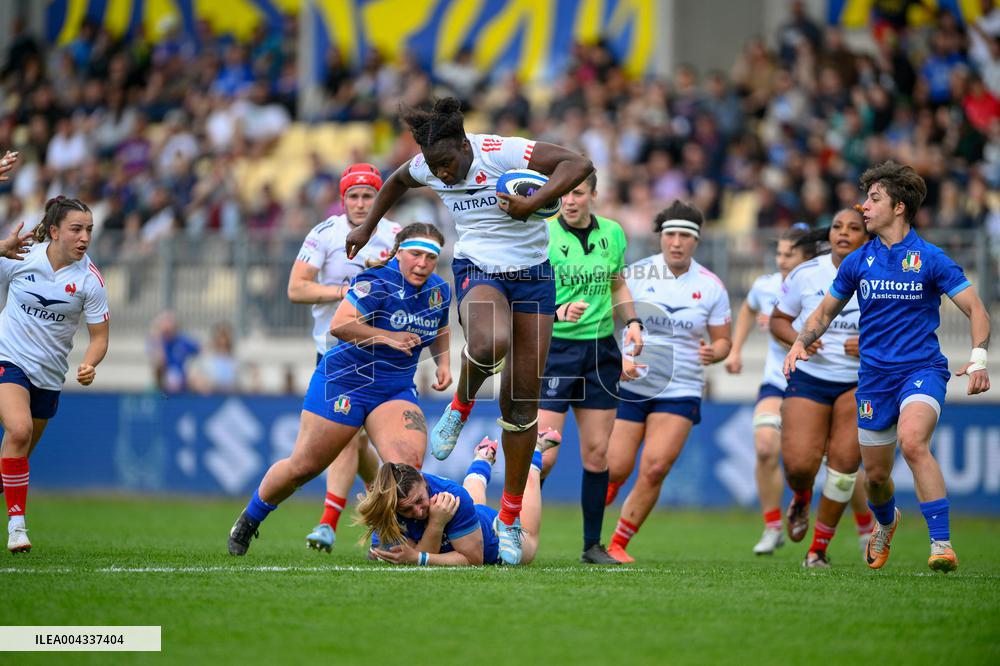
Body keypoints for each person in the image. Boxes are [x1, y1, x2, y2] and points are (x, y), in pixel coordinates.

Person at [344, 97, 593, 565]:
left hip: (533, 275)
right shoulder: (428, 165)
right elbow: (396, 181)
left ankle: (510, 518)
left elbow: (578, 164)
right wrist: (367, 227)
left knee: (521, 406)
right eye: (434, 167)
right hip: (478, 267)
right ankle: (459, 407)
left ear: (464, 145)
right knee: (489, 341)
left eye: (446, 164)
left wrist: (534, 202)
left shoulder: (503, 151)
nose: (441, 174)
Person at [785, 161, 991, 573]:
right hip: (874, 379)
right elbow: (824, 313)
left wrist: (978, 358)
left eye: (874, 199)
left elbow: (976, 309)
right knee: (876, 478)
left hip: (921, 370)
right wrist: (799, 342)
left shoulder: (931, 258)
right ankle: (886, 522)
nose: (864, 206)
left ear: (899, 207)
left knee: (913, 442)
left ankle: (941, 544)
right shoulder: (858, 261)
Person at [228, 223, 452, 555]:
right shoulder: (377, 281)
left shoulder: (439, 291)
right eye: (416, 254)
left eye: (430, 257)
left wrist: (443, 363)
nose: (423, 264)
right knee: (304, 467)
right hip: (346, 381)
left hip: (394, 389)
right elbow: (340, 325)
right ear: (399, 253)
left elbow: (441, 325)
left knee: (406, 466)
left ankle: (383, 539)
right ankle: (250, 518)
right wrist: (389, 338)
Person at [603, 201, 733, 563]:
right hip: (633, 384)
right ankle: (605, 498)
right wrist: (616, 359)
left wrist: (716, 352)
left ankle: (618, 543)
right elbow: (606, 320)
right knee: (616, 466)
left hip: (681, 387)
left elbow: (723, 341)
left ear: (697, 241)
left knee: (656, 466)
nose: (677, 242)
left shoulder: (711, 286)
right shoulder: (636, 275)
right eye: (670, 234)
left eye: (685, 236)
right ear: (660, 237)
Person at [287, 163, 399, 553]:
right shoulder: (325, 234)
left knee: (352, 437)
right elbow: (296, 288)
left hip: (381, 355)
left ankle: (329, 523)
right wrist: (343, 293)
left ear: (380, 198)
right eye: (354, 195)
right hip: (335, 353)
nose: (361, 203)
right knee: (352, 439)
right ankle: (376, 515)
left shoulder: (395, 236)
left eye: (369, 195)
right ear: (343, 199)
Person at [535, 172, 642, 565]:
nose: (569, 200)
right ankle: (511, 527)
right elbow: (525, 294)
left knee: (597, 455)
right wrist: (558, 310)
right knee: (544, 453)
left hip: (600, 351)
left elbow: (617, 284)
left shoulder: (612, 233)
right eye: (564, 193)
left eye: (578, 193)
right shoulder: (542, 234)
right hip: (554, 350)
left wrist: (633, 322)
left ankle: (592, 546)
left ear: (594, 194)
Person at [0, 196, 110, 553]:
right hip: (8, 358)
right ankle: (17, 527)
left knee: (12, 463)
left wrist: (90, 363)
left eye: (89, 230)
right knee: (19, 430)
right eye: (76, 229)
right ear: (54, 231)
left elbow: (100, 337)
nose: (85, 238)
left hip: (48, 377)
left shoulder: (90, 280)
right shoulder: (22, 257)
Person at [770, 210, 871, 568]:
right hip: (811, 378)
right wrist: (798, 340)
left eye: (854, 228)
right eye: (837, 227)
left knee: (844, 470)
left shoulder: (883, 273)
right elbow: (778, 321)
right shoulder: (806, 273)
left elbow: (902, 328)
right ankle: (801, 495)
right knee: (799, 465)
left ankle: (818, 550)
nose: (843, 233)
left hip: (860, 381)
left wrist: (870, 344)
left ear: (867, 236)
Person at [724, 224, 813, 555]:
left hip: (820, 381)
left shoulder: (826, 285)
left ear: (808, 257)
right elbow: (749, 309)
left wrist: (787, 329)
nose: (782, 260)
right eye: (779, 253)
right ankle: (773, 527)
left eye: (790, 254)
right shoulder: (766, 286)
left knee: (842, 463)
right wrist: (735, 350)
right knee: (763, 447)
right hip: (778, 379)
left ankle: (864, 530)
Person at [359, 434, 551, 566]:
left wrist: (433, 529)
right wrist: (415, 553)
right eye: (407, 510)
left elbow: (474, 560)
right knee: (471, 504)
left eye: (419, 501)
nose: (417, 511)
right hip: (470, 516)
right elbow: (408, 556)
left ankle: (534, 453)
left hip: (493, 539)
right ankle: (482, 459)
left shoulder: (453, 495)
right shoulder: (385, 505)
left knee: (530, 540)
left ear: (424, 481)